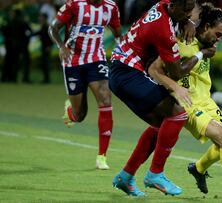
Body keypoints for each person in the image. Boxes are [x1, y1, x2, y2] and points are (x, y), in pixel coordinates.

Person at [148, 4, 222, 202]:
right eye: (217, 34)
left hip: (207, 101)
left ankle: (198, 169)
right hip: (187, 104)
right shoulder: (182, 40)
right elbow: (155, 70)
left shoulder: (206, 44)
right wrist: (173, 88)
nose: (218, 39)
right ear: (206, 26)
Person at [110, 0, 206, 196]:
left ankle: (125, 176)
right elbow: (177, 72)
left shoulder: (162, 5)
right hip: (127, 73)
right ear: (173, 4)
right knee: (178, 114)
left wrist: (187, 22)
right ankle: (155, 174)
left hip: (122, 70)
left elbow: (176, 17)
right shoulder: (163, 31)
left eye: (190, 9)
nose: (188, 13)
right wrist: (201, 54)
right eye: (185, 9)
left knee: (162, 125)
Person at [48, 0, 122, 169]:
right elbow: (52, 28)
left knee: (105, 99)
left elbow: (118, 33)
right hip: (72, 61)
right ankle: (71, 112)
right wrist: (61, 46)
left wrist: (121, 50)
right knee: (80, 115)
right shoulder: (74, 4)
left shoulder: (110, 7)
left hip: (97, 59)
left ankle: (101, 157)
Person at [33, 13, 53, 84]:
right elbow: (39, 33)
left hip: (47, 47)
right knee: (44, 64)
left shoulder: (47, 27)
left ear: (44, 18)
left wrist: (50, 46)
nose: (39, 19)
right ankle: (45, 79)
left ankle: (47, 79)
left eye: (41, 17)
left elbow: (51, 37)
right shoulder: (43, 26)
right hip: (43, 47)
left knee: (46, 64)